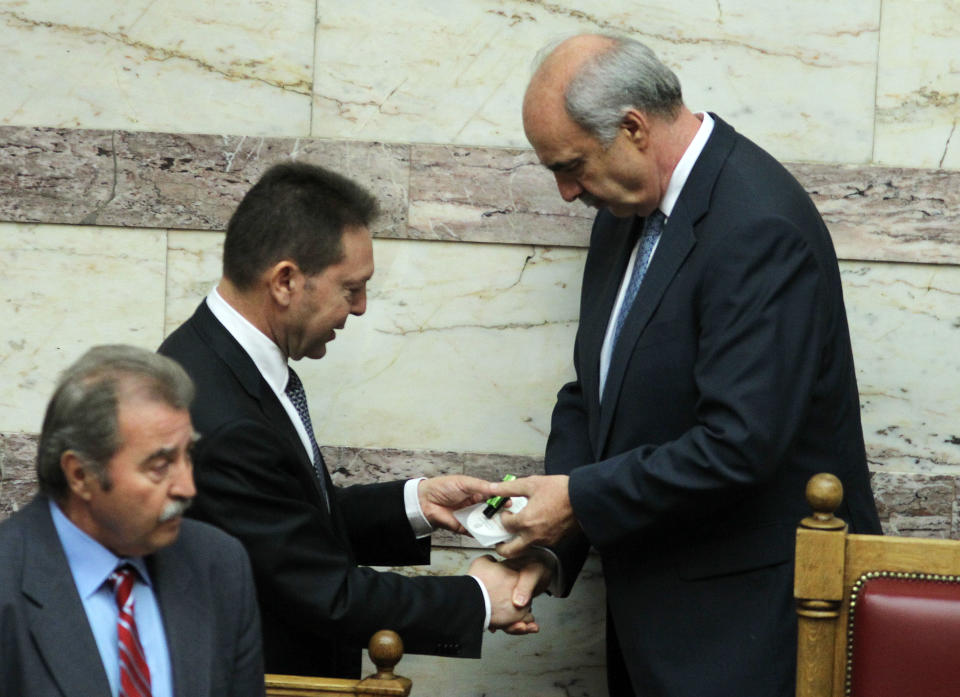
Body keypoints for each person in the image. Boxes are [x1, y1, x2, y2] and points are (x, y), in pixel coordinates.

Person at [483, 34, 883, 697]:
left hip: (745, 637)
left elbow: (738, 445)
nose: (564, 191)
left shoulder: (757, 224)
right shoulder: (624, 209)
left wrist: (577, 501)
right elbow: (596, 394)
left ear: (634, 127)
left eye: (572, 164)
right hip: (655, 627)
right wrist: (550, 541)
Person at [158, 161, 538, 679]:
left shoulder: (218, 357)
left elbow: (287, 521)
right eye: (350, 288)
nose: (359, 308)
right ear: (286, 281)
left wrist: (416, 503)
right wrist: (477, 598)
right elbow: (323, 592)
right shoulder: (223, 418)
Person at [0, 345, 264, 697]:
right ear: (80, 475)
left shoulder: (219, 565)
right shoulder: (8, 580)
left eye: (188, 455)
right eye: (159, 466)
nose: (187, 487)